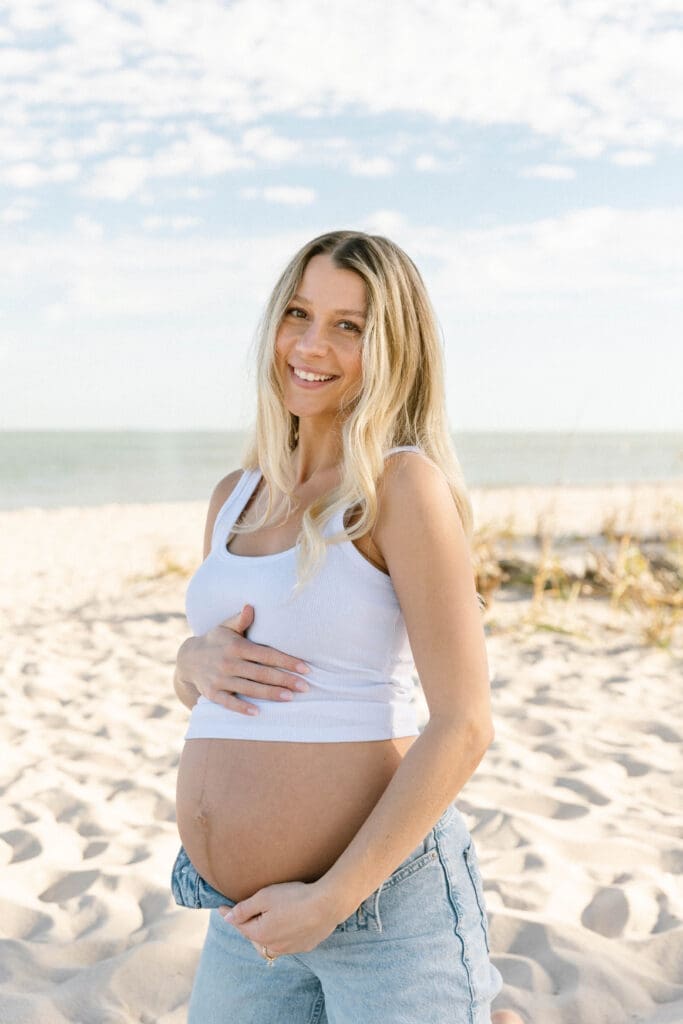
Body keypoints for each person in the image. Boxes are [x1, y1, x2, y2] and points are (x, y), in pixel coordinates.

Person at [171, 230, 524, 1024]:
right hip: (242, 918)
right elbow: (217, 691)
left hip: (376, 908)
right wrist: (190, 660)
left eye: (348, 326)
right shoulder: (235, 493)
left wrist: (331, 897)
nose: (309, 345)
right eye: (298, 314)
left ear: (393, 347)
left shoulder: (399, 486)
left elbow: (465, 724)